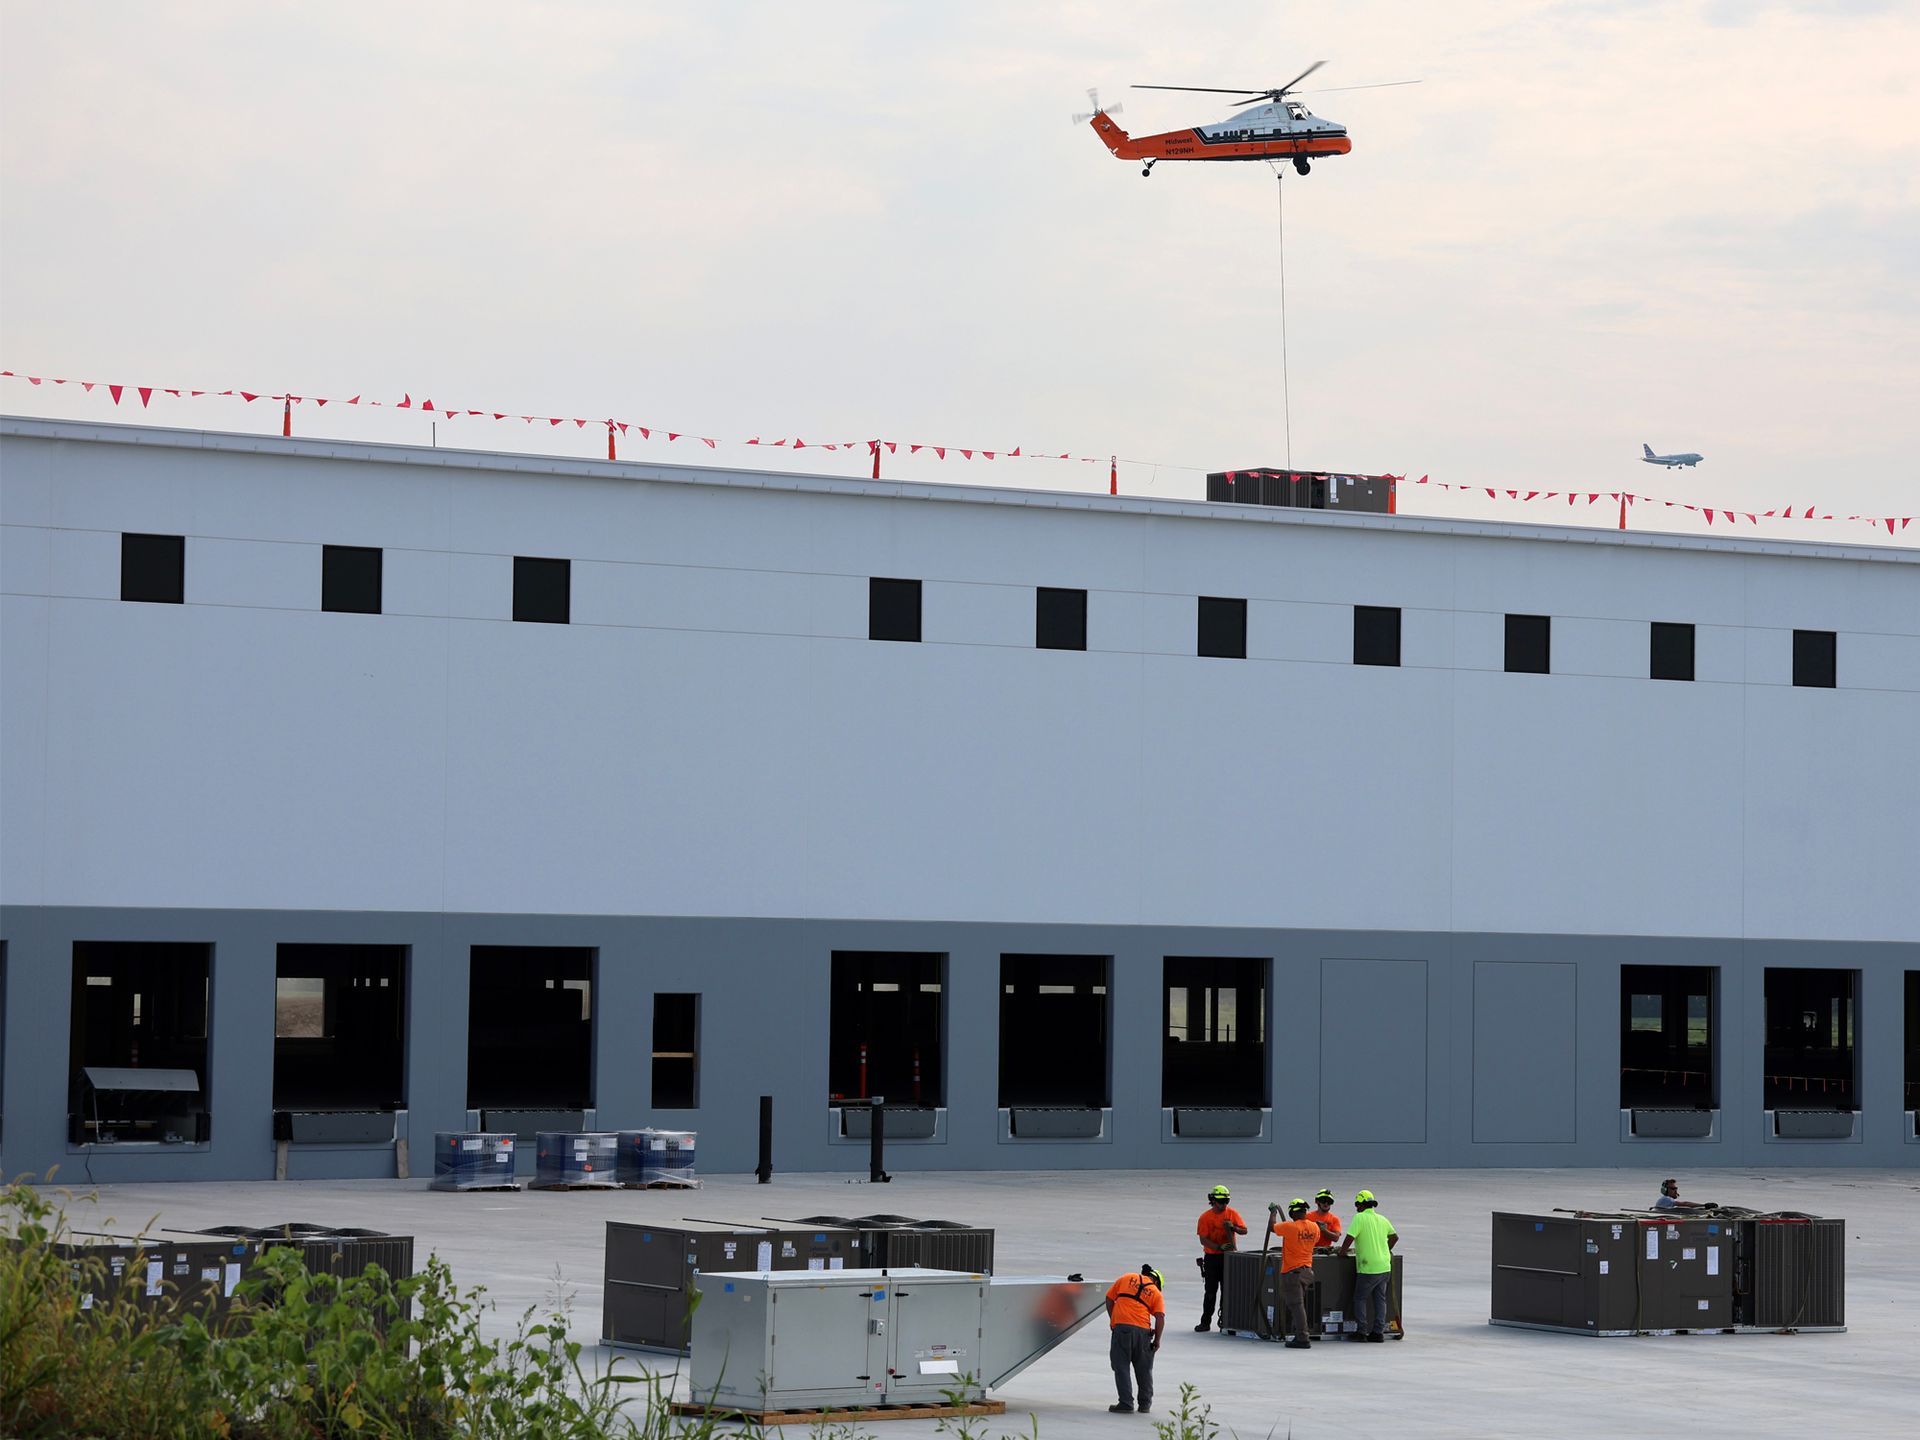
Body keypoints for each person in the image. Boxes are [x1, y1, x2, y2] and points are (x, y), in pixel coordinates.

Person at [1337, 1188, 1397, 1342]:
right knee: (1380, 1299)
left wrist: (1342, 1252)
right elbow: (1394, 1237)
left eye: (1357, 1204)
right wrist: (1385, 1250)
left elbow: (1349, 1238)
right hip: (1384, 1266)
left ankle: (1362, 1331)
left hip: (1368, 1268)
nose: (1357, 1208)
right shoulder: (1382, 1219)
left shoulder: (1359, 1218)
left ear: (1362, 1204)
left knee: (1360, 1298)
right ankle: (1378, 1333)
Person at [1105, 1262, 1166, 1414]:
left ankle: (1126, 1403)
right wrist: (1156, 1341)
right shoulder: (1155, 1293)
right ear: (1156, 1281)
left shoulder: (1126, 1277)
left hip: (1122, 1329)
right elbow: (1160, 1318)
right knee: (1144, 1369)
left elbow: (1109, 1298)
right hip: (1144, 1332)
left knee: (1121, 1366)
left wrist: (1114, 1320)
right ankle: (1145, 1404)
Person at [1193, 1184, 1247, 1332]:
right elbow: (1203, 1239)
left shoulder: (1232, 1214)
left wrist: (1234, 1228)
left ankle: (1225, 1320)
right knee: (1210, 1291)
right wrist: (1218, 1247)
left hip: (1229, 1257)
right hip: (1212, 1258)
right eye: (1221, 1201)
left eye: (1226, 1201)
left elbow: (1244, 1230)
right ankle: (1205, 1322)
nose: (1223, 1205)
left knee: (1227, 1290)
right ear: (1213, 1200)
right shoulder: (1205, 1217)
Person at [1268, 1198, 1320, 1349]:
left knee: (1296, 1306)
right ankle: (1299, 1333)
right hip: (1307, 1271)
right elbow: (1314, 1241)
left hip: (1293, 1273)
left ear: (1292, 1212)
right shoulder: (1314, 1227)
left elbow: (1272, 1227)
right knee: (1298, 1305)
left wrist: (1273, 1213)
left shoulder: (1291, 1227)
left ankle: (1302, 1337)